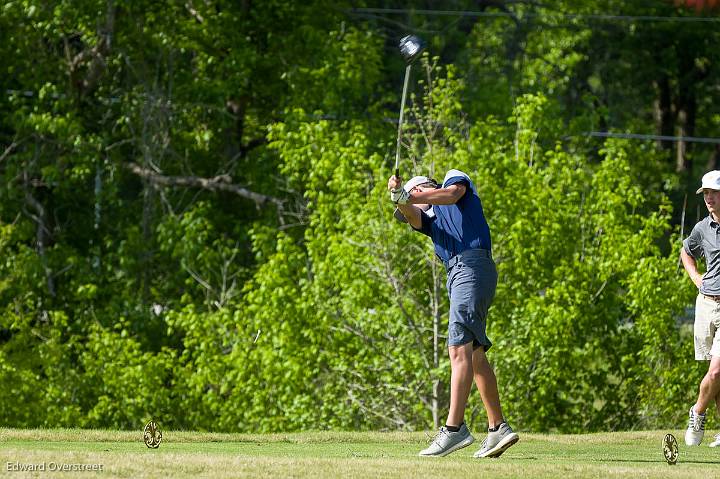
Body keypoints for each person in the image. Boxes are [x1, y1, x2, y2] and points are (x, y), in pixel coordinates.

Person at [388, 169, 519, 458]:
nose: (410, 210)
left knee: (458, 350)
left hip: (471, 268)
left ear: (422, 189)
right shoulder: (430, 222)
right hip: (461, 274)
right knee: (473, 353)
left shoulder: (452, 180)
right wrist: (398, 196)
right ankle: (498, 428)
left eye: (415, 197)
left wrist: (409, 194)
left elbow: (450, 195)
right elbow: (410, 214)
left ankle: (454, 428)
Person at [680, 169, 720, 448]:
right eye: (705, 193)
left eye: (713, 193)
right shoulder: (702, 228)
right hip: (706, 304)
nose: (708, 198)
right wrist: (696, 278)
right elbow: (686, 251)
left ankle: (697, 412)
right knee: (717, 375)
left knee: (717, 371)